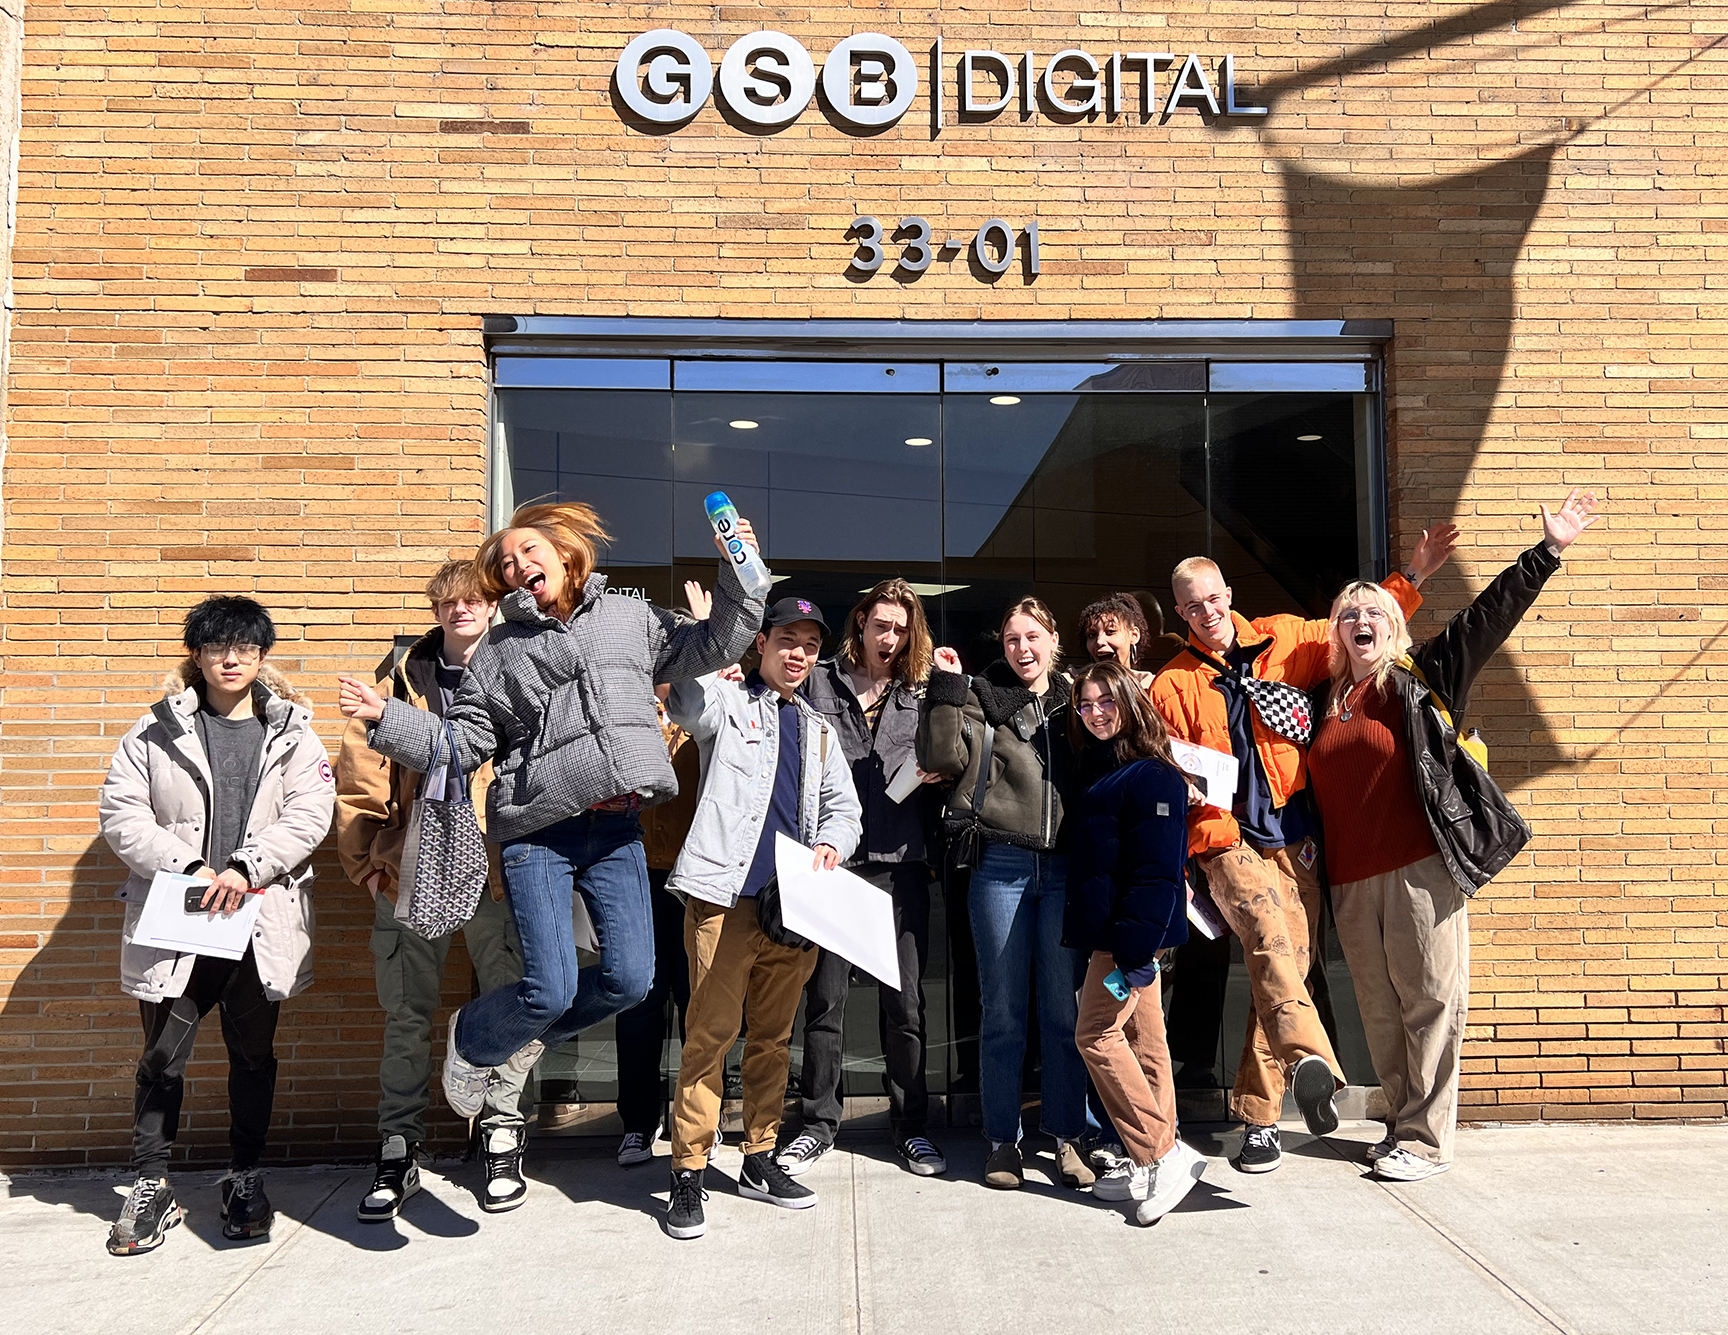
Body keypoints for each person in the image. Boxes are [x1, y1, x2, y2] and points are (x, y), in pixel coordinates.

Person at [337, 502, 765, 1123]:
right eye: (506, 564)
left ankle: (520, 1039)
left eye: (528, 551)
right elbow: (461, 745)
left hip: (617, 829)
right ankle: (477, 1039)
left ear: (565, 553)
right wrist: (390, 720)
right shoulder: (501, 651)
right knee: (551, 989)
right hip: (538, 833)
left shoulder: (629, 617)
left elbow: (716, 642)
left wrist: (737, 568)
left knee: (628, 981)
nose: (518, 566)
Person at [1308, 490, 1601, 1182]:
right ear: (1335, 631)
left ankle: (1427, 1139)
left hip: (1418, 869)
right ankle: (1399, 1122)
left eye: (1374, 610)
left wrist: (1548, 551)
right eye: (1349, 613)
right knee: (1380, 1008)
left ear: (1394, 625)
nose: (1360, 619)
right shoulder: (1328, 700)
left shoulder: (1421, 679)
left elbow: (1487, 619)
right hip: (1351, 880)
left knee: (1432, 997)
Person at [1151, 529, 1454, 1173]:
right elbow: (1174, 778)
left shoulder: (1283, 638)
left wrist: (1413, 578)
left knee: (1285, 962)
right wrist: (1188, 859)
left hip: (1297, 837)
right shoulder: (1171, 687)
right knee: (1267, 939)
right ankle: (1310, 1056)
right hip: (1225, 838)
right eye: (1191, 605)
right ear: (1179, 613)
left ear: (1228, 594)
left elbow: (1352, 628)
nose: (1206, 612)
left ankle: (1262, 1119)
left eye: (1212, 598)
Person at [99, 597, 335, 1255]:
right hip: (183, 915)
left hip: (256, 918)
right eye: (217, 647)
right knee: (161, 1057)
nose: (231, 659)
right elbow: (123, 814)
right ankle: (152, 1184)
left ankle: (245, 1176)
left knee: (252, 1054)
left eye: (245, 648)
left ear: (262, 656)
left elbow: (312, 812)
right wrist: (193, 868)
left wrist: (246, 866)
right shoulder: (151, 731)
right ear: (197, 655)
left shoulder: (293, 731)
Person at [335, 561, 534, 1219]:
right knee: (406, 1012)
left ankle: (502, 1133)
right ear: (436, 608)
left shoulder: (521, 670)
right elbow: (360, 774)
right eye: (449, 601)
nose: (462, 611)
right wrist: (364, 860)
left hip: (495, 868)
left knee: (508, 1002)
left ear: (491, 606)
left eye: (474, 599)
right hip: (410, 866)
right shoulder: (401, 679)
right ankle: (399, 1148)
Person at [661, 597, 862, 1240]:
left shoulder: (820, 730)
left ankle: (758, 1157)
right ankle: (689, 1172)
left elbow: (845, 810)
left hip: (790, 911)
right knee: (709, 1037)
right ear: (761, 644)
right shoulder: (728, 701)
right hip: (723, 899)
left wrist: (834, 842)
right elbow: (683, 699)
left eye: (809, 643)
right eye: (786, 640)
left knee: (773, 1040)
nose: (798, 653)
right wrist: (710, 636)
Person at [919, 597, 1094, 1193]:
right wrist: (945, 687)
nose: (1022, 648)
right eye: (1012, 638)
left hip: (1066, 869)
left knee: (1063, 1013)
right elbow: (939, 757)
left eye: (1032, 636)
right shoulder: (978, 699)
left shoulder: (1081, 700)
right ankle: (1002, 1142)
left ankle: (1068, 1136)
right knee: (1003, 1012)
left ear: (1053, 640)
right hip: (1001, 865)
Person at [782, 579, 947, 1178]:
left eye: (902, 628)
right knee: (824, 1001)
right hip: (832, 860)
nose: (890, 637)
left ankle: (910, 1127)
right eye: (881, 625)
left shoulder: (920, 691)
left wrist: (937, 769)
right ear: (860, 623)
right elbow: (768, 697)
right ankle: (819, 1123)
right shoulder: (819, 681)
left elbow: (959, 750)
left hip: (901, 863)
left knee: (904, 1005)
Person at [1065, 660, 1209, 1224]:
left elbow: (1155, 873)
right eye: (1086, 704)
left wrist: (1134, 950)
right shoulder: (1105, 770)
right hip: (1119, 937)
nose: (1097, 713)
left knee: (1095, 1034)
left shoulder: (1152, 776)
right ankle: (1152, 1163)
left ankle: (1161, 1151)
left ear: (1129, 700)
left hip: (1127, 942)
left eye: (1107, 701)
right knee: (1148, 1045)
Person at [615, 581, 709, 1167]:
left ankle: (697, 1121)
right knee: (640, 1003)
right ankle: (635, 1123)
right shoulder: (620, 708)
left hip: (694, 876)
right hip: (631, 874)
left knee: (697, 1000)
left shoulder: (702, 713)